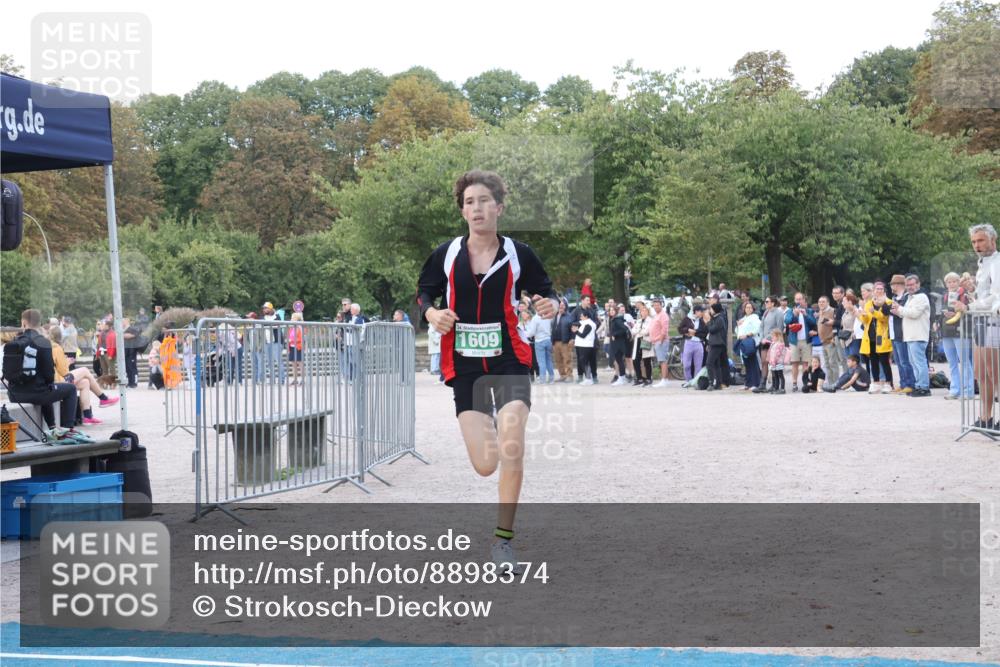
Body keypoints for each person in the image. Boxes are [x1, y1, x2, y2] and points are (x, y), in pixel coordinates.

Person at [416, 169, 558, 573]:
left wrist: (549, 303)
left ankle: (503, 541)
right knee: (484, 464)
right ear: (462, 212)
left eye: (483, 201)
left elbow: (544, 289)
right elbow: (423, 290)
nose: (476, 208)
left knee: (513, 440)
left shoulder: (519, 253)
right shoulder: (445, 254)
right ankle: (490, 425)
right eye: (468, 202)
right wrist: (432, 312)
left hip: (509, 357)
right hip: (464, 364)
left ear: (499, 207)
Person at [5, 309, 80, 435]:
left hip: (14, 394)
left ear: (23, 322)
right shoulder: (43, 342)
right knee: (70, 389)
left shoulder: (14, 342)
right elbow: (49, 375)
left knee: (44, 387)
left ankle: (51, 427)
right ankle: (68, 429)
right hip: (36, 394)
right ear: (39, 323)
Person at [955, 224, 1000, 429]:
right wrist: (972, 292)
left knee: (995, 371)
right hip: (980, 320)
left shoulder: (998, 262)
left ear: (993, 239)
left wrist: (970, 305)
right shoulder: (983, 264)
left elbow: (996, 296)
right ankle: (985, 416)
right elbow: (985, 294)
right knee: (981, 372)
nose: (976, 245)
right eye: (974, 241)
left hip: (994, 321)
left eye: (981, 240)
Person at [48, 327, 118, 424]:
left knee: (85, 383)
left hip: (55, 380)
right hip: (58, 381)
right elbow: (63, 371)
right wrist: (67, 362)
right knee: (85, 370)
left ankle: (87, 415)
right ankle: (103, 398)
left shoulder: (49, 346)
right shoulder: (56, 348)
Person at [891, 273, 932, 397]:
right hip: (909, 336)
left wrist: (900, 308)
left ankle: (924, 387)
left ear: (918, 284)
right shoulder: (909, 298)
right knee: (914, 363)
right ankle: (918, 385)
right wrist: (897, 311)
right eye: (907, 285)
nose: (910, 287)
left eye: (912, 284)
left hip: (918, 335)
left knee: (920, 363)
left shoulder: (921, 297)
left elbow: (914, 314)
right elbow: (906, 314)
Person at [940, 272, 973, 400]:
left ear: (958, 282)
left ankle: (968, 391)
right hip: (946, 331)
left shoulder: (964, 296)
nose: (952, 284)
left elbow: (969, 311)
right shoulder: (944, 296)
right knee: (952, 363)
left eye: (954, 281)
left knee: (964, 362)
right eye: (949, 282)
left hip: (961, 331)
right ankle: (954, 390)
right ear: (946, 284)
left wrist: (956, 314)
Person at [859, 282, 894, 394]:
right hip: (870, 336)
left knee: (884, 361)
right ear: (873, 290)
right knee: (873, 361)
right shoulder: (869, 303)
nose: (878, 291)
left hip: (882, 336)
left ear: (884, 290)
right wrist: (863, 315)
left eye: (880, 289)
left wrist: (874, 313)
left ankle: (888, 383)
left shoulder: (888, 302)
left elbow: (884, 318)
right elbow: (865, 321)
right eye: (876, 289)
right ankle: (876, 383)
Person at [887, 274, 915, 394]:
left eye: (893, 284)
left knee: (904, 360)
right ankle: (903, 383)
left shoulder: (906, 298)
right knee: (898, 361)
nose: (891, 286)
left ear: (898, 285)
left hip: (902, 332)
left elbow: (904, 313)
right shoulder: (894, 297)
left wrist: (896, 311)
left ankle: (910, 383)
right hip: (893, 332)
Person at [783, 293, 816, 393]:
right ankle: (794, 383)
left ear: (803, 300)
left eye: (800, 299)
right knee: (795, 363)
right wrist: (794, 314)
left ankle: (805, 382)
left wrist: (805, 315)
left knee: (806, 363)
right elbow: (787, 321)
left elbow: (813, 322)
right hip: (794, 341)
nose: (798, 301)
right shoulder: (790, 311)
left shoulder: (809, 310)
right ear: (794, 300)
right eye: (796, 299)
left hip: (806, 340)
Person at [753, 296, 784, 393]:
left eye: (767, 301)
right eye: (765, 302)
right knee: (764, 362)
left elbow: (779, 328)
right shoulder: (766, 313)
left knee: (773, 363)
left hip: (773, 341)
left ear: (773, 303)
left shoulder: (778, 313)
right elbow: (761, 326)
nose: (765, 303)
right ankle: (762, 384)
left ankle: (775, 385)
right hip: (764, 341)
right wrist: (762, 338)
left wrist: (770, 338)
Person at [735, 301, 761, 391]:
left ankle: (756, 383)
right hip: (742, 342)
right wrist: (738, 325)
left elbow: (757, 328)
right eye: (747, 307)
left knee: (753, 362)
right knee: (746, 363)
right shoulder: (743, 319)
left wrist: (748, 335)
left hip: (750, 341)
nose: (748, 309)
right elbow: (737, 331)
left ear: (753, 309)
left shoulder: (755, 317)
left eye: (750, 307)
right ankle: (748, 383)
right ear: (744, 309)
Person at [527, 306, 555, 384]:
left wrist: (525, 334)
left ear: (536, 309)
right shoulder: (548, 317)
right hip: (548, 339)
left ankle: (543, 379)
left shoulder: (535, 318)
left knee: (541, 361)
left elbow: (531, 332)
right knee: (549, 360)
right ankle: (551, 378)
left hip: (539, 341)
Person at [630, 301, 654, 387]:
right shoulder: (639, 321)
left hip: (646, 341)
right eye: (641, 311)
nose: (642, 312)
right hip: (638, 340)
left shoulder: (650, 320)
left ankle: (648, 378)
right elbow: (633, 331)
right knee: (635, 360)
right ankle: (639, 378)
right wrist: (638, 331)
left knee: (647, 360)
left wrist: (638, 331)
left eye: (644, 311)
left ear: (647, 312)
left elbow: (647, 331)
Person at [677, 306, 703, 385]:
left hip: (698, 343)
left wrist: (696, 332)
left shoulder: (702, 320)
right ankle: (688, 380)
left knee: (698, 365)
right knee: (686, 364)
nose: (701, 313)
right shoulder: (687, 319)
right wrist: (687, 330)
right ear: (695, 311)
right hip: (689, 342)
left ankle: (696, 381)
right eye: (700, 311)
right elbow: (680, 329)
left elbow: (705, 331)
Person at [705, 303, 728, 391]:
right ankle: (718, 383)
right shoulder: (715, 318)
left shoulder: (720, 319)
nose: (710, 311)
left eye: (711, 309)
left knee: (709, 363)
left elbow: (712, 329)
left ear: (715, 310)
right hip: (714, 343)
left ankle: (711, 382)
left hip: (717, 344)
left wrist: (707, 321)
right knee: (716, 364)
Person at [649, 298, 671, 388]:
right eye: (654, 305)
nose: (656, 307)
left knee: (663, 361)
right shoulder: (656, 315)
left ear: (661, 305)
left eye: (658, 305)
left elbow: (664, 329)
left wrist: (660, 340)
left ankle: (664, 380)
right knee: (661, 360)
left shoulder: (663, 315)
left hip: (661, 341)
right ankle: (665, 379)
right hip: (656, 341)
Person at [552, 299, 575, 382]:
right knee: (558, 360)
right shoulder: (555, 315)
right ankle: (563, 375)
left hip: (565, 342)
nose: (561, 306)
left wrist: (572, 339)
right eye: (560, 305)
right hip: (555, 342)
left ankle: (569, 376)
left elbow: (573, 329)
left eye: (563, 305)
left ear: (565, 306)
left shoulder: (569, 316)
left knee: (567, 359)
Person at [609, 304, 631, 386]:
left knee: (619, 361)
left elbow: (624, 329)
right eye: (610, 311)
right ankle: (623, 377)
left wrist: (615, 335)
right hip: (617, 343)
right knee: (619, 361)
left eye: (613, 310)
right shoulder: (614, 319)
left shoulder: (617, 319)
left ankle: (621, 378)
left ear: (616, 311)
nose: (611, 312)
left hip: (619, 343)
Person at [574, 309, 598, 385]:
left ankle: (588, 378)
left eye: (582, 315)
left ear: (586, 316)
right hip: (581, 345)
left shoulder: (589, 324)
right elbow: (575, 323)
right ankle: (587, 378)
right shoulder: (583, 322)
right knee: (582, 362)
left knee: (584, 362)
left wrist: (576, 331)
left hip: (586, 345)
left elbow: (583, 335)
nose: (580, 316)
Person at [766, 329, 786, 394]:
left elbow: (778, 354)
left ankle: (782, 388)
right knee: (775, 376)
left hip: (778, 362)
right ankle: (776, 388)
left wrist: (774, 360)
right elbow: (770, 352)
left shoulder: (780, 344)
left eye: (773, 336)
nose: (772, 338)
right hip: (773, 363)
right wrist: (769, 359)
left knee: (780, 375)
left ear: (778, 336)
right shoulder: (773, 344)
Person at [287, 312, 305, 385]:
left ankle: (302, 379)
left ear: (296, 319)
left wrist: (292, 340)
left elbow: (301, 338)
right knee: (293, 364)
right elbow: (289, 336)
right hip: (291, 347)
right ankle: (295, 379)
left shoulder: (300, 327)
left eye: (292, 318)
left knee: (300, 364)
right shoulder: (291, 328)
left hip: (298, 347)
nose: (291, 319)